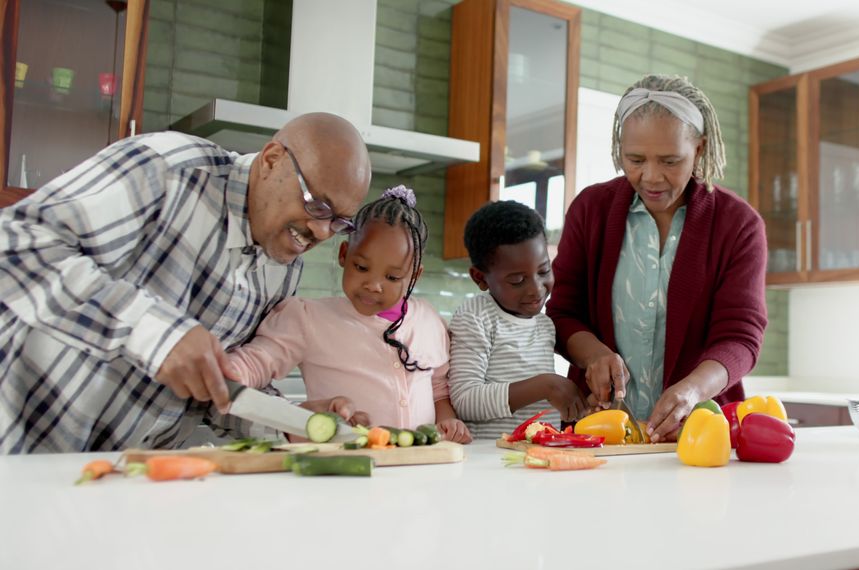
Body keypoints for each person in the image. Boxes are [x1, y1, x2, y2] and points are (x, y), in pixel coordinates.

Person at [0, 113, 372, 453]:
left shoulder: (284, 268)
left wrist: (291, 422)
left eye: (340, 221)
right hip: (21, 449)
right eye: (317, 206)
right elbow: (15, 244)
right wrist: (153, 332)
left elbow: (212, 390)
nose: (322, 231)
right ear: (272, 159)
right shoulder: (168, 169)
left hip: (120, 481)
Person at [545, 74, 768, 443]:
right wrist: (594, 355)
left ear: (699, 149)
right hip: (597, 429)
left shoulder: (738, 224)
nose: (651, 177)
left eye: (670, 160)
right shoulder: (590, 210)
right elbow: (564, 313)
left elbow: (741, 337)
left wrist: (692, 391)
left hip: (699, 433)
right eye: (635, 159)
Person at [228, 186, 472, 443]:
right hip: (344, 468)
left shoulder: (429, 321)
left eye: (392, 277)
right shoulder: (308, 318)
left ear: (415, 275)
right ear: (344, 255)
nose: (373, 284)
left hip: (418, 470)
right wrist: (225, 374)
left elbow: (438, 389)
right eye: (362, 267)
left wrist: (447, 419)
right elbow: (255, 363)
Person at [448, 201, 587, 439]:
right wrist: (545, 386)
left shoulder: (544, 325)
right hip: (490, 462)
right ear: (480, 278)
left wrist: (577, 407)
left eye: (543, 271)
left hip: (538, 457)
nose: (536, 289)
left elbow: (544, 407)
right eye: (517, 280)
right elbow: (465, 400)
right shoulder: (475, 317)